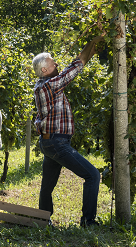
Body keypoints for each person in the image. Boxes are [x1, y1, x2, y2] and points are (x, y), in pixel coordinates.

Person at [32, 30, 106, 227]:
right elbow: (76, 66)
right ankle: (88, 221)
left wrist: (94, 47)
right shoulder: (50, 86)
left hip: (50, 141)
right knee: (92, 175)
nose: (57, 64)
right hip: (56, 142)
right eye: (53, 63)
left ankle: (42, 219)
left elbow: (78, 65)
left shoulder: (43, 85)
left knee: (47, 186)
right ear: (45, 70)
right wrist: (94, 40)